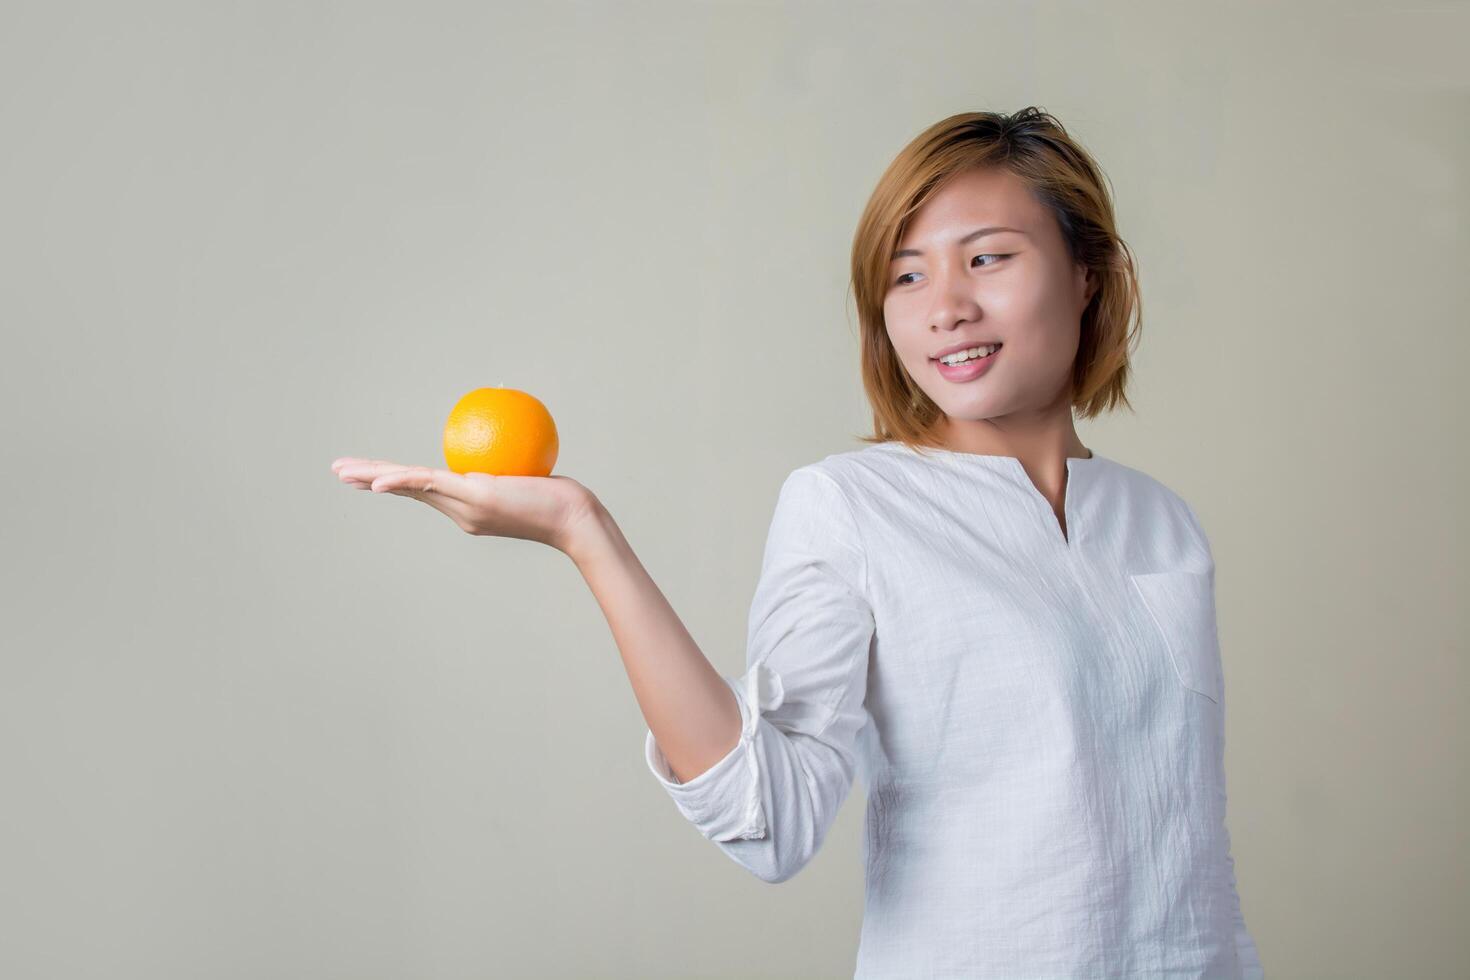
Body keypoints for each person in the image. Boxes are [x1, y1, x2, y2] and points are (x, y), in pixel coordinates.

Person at [330, 106, 1264, 979]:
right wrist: (588, 535)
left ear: (1086, 275)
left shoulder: (1163, 523)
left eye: (987, 259)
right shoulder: (852, 506)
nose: (944, 307)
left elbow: (1183, 850)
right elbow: (768, 820)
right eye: (906, 274)